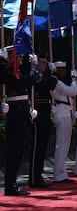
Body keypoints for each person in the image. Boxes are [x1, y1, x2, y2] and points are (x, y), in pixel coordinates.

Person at [1, 52, 38, 196]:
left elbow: (28, 82)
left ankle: (12, 184)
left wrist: (29, 110)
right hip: (15, 115)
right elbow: (30, 80)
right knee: (13, 152)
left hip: (21, 114)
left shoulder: (16, 72)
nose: (21, 60)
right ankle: (10, 185)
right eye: (18, 57)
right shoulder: (9, 72)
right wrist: (2, 61)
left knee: (18, 152)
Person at [29, 56, 57, 188]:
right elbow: (47, 85)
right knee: (37, 148)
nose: (45, 65)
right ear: (38, 62)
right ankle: (34, 178)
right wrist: (54, 75)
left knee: (42, 147)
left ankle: (38, 176)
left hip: (44, 112)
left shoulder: (41, 75)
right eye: (43, 63)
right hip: (38, 113)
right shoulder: (35, 74)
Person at [52, 61, 77, 183]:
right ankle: (58, 174)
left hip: (66, 112)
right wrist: (74, 79)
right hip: (61, 113)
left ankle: (62, 173)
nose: (65, 72)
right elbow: (73, 92)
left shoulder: (60, 82)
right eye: (62, 69)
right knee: (61, 144)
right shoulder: (57, 83)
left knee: (65, 145)